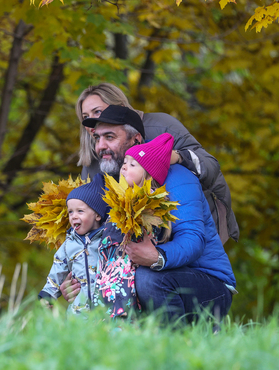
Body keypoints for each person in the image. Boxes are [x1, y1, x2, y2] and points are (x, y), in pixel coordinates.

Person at [86, 114, 237, 324]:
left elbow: (193, 239)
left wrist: (158, 257)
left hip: (207, 283)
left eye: (109, 137)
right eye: (97, 139)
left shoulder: (178, 177)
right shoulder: (119, 189)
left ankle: (175, 345)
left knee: (147, 280)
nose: (101, 145)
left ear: (137, 140)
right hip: (155, 275)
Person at [75, 83, 238, 245]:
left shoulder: (161, 127)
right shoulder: (96, 155)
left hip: (200, 222)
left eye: (97, 111)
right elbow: (89, 213)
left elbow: (209, 165)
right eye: (86, 117)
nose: (92, 122)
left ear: (120, 106)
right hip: (147, 240)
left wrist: (174, 156)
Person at [94, 134, 175, 319]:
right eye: (125, 162)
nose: (124, 167)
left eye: (132, 164)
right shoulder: (122, 198)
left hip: (125, 268)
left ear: (148, 174)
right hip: (109, 268)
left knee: (122, 311)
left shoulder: (149, 201)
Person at [38, 174, 109, 314]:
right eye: (70, 212)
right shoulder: (69, 244)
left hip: (106, 310)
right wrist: (47, 295)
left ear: (97, 215)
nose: (74, 216)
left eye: (80, 211)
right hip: (78, 312)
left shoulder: (107, 241)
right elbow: (57, 271)